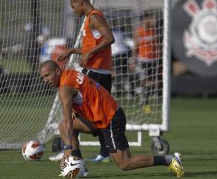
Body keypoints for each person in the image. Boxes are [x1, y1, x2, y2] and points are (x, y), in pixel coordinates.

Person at [39, 60, 184, 177]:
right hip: (99, 118)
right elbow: (83, 94)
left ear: (58, 71)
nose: (45, 80)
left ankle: (169, 160)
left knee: (125, 163)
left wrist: (68, 149)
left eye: (47, 75)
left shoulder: (64, 88)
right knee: (62, 126)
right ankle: (80, 169)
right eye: (43, 78)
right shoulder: (70, 73)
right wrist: (74, 110)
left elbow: (70, 120)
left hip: (110, 119)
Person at [49, 0, 115, 163]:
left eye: (74, 6)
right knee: (85, 111)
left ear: (81, 3)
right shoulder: (90, 18)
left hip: (96, 72)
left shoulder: (94, 16)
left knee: (77, 111)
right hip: (96, 71)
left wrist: (89, 54)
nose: (73, 10)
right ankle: (99, 151)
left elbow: (109, 39)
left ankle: (70, 151)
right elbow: (90, 46)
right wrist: (73, 51)